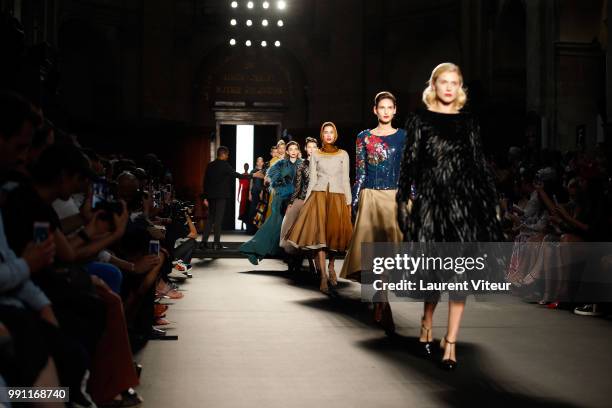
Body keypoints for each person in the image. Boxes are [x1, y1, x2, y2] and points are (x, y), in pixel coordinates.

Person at [396, 63, 503, 370]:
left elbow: (478, 162)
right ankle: (427, 321)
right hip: (431, 204)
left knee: (459, 273)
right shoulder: (419, 119)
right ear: (433, 85)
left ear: (460, 88)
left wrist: (491, 198)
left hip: (463, 205)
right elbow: (410, 162)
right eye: (443, 82)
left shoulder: (468, 121)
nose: (448, 87)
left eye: (454, 83)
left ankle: (451, 341)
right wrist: (405, 198)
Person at [340, 91, 406, 334]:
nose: (386, 111)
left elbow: (407, 170)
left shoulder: (403, 137)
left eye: (390, 107)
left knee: (391, 251)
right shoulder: (363, 138)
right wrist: (355, 202)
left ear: (395, 110)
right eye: (382, 107)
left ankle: (382, 296)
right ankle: (382, 299)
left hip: (395, 198)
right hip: (370, 196)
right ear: (375, 110)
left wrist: (413, 200)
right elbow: (360, 172)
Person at [286, 123, 353, 295]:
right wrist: (306, 203)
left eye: (331, 132)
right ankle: (323, 275)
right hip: (319, 196)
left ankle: (331, 266)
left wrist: (349, 202)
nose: (329, 135)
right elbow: (313, 180)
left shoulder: (343, 154)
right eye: (326, 132)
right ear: (322, 135)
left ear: (335, 134)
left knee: (333, 237)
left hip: (338, 197)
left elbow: (346, 179)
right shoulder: (315, 154)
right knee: (321, 238)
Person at [240, 142, 302, 264]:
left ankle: (288, 255)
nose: (292, 151)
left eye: (295, 149)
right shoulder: (279, 163)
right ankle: (253, 250)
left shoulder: (302, 163)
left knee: (288, 228)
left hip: (295, 200)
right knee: (273, 226)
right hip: (281, 199)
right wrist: (281, 186)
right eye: (289, 149)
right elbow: (268, 179)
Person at [201, 146, 249, 250]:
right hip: (221, 197)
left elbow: (205, 182)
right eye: (227, 154)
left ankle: (203, 242)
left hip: (210, 196)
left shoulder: (210, 165)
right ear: (223, 154)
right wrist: (252, 175)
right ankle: (216, 243)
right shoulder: (225, 165)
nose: (228, 156)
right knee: (218, 220)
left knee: (210, 219)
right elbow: (237, 175)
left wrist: (204, 197)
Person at [246, 157, 265, 235]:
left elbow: (265, 183)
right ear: (256, 162)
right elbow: (251, 183)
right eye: (258, 161)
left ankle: (259, 230)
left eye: (261, 161)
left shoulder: (265, 171)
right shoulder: (253, 171)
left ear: (263, 163)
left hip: (262, 193)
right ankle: (250, 230)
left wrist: (262, 191)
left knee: (260, 211)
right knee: (252, 210)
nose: (260, 163)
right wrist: (249, 193)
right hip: (254, 192)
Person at [237, 163, 251, 230]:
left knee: (247, 207)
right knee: (242, 207)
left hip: (248, 192)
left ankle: (245, 224)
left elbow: (251, 184)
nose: (246, 167)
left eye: (247, 166)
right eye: (245, 166)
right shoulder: (241, 175)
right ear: (243, 167)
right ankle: (242, 224)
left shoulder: (249, 175)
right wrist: (238, 195)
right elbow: (240, 186)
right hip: (243, 193)